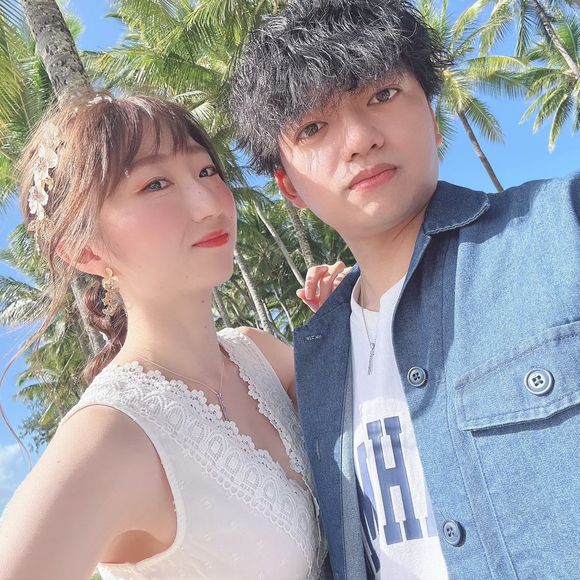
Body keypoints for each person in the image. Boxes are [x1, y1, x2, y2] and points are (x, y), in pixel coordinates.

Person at [229, 1, 580, 578]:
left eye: (383, 95)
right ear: (289, 187)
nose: (359, 139)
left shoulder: (562, 228)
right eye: (313, 127)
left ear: (433, 118)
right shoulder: (316, 362)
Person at [0, 93, 344, 580]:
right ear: (84, 251)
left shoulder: (259, 356)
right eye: (155, 184)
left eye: (206, 171)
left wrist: (346, 327)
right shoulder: (111, 436)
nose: (209, 205)